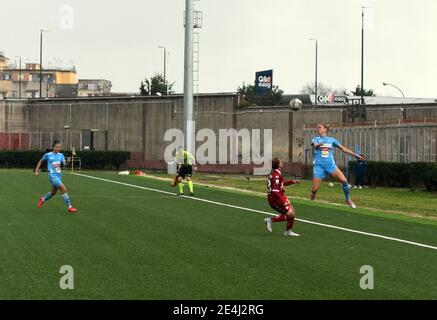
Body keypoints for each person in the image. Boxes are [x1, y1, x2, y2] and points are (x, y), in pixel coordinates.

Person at [310, 123, 365, 208]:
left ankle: (348, 199)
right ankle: (313, 193)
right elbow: (315, 146)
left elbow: (344, 149)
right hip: (319, 166)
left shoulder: (332, 140)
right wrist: (319, 144)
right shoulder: (315, 139)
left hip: (331, 166)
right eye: (317, 128)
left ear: (325, 129)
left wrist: (357, 156)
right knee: (315, 189)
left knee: (344, 181)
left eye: (319, 127)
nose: (318, 129)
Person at [35, 140, 78, 213]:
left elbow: (64, 165)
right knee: (64, 189)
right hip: (52, 176)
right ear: (53, 147)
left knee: (53, 193)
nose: (58, 148)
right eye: (57, 147)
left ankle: (42, 199)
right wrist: (36, 170)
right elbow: (41, 161)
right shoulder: (48, 155)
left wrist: (68, 161)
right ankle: (69, 207)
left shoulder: (61, 155)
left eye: (59, 147)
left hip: (59, 176)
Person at [264, 158, 300, 237]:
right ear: (278, 165)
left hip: (280, 196)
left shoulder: (276, 173)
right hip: (275, 199)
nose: (282, 161)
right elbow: (275, 191)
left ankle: (288, 231)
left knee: (293, 212)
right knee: (290, 214)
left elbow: (281, 184)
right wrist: (282, 202)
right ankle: (270, 220)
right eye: (280, 161)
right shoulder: (276, 175)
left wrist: (291, 182)